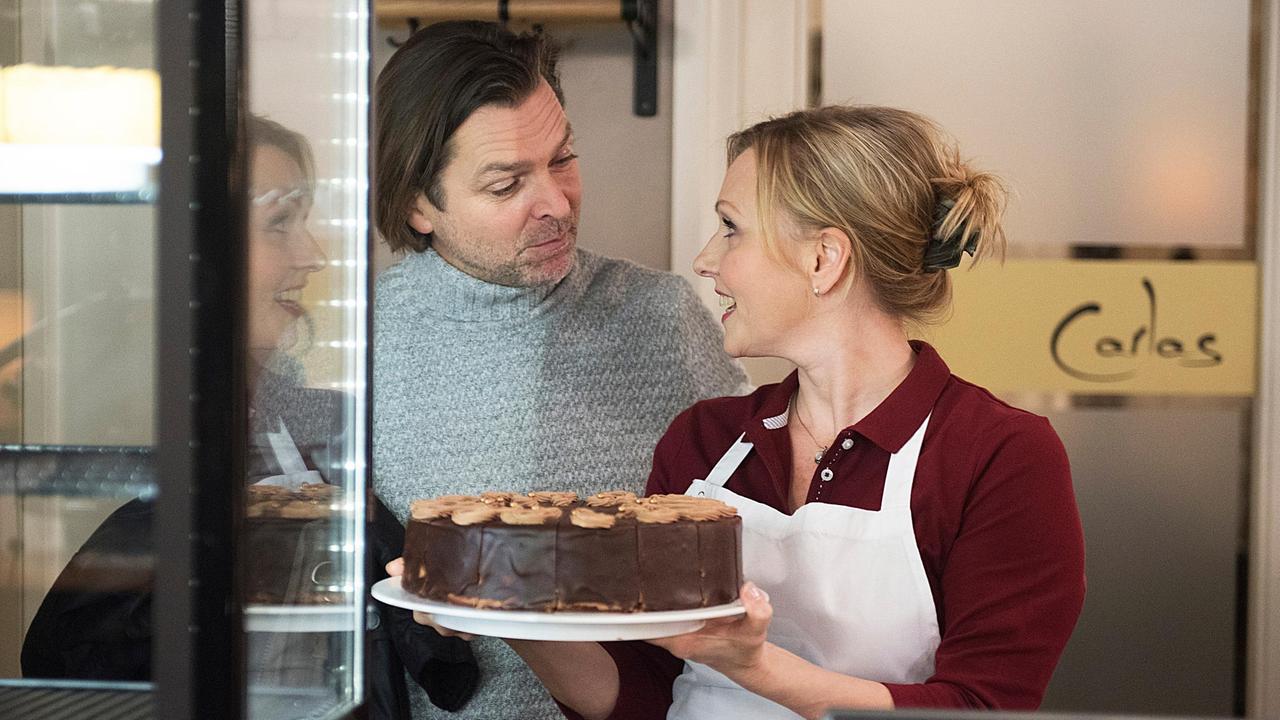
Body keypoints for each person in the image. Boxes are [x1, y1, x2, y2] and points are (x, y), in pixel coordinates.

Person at [396, 105, 1086, 719]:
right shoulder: (705, 443)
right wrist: (509, 607)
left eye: (731, 230)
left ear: (825, 259)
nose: (704, 260)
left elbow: (983, 706)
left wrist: (755, 666)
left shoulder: (1000, 455)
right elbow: (640, 694)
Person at [20, 115, 475, 719]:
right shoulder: (109, 417)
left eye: (305, 220)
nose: (313, 255)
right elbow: (65, 653)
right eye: (279, 223)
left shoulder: (310, 416)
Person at [371, 20, 748, 720]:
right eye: (506, 182)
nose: (555, 203)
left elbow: (754, 544)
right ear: (418, 204)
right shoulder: (355, 345)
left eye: (563, 158)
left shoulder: (665, 318)